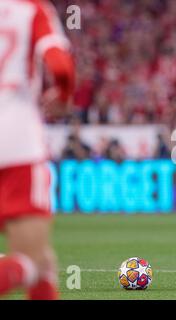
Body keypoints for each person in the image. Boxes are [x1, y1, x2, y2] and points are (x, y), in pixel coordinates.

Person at [0, 0, 75, 299]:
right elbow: (60, 66)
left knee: (44, 262)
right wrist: (63, 96)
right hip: (16, 143)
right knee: (32, 261)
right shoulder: (32, 9)